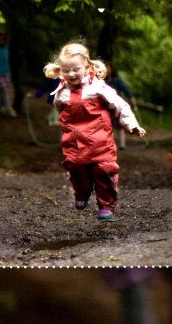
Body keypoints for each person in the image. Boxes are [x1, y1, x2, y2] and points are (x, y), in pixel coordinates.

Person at [44, 42, 146, 221]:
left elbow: (119, 105)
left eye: (76, 69)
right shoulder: (61, 93)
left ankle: (106, 205)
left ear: (87, 66)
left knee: (104, 170)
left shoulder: (98, 87)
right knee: (76, 169)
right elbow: (60, 110)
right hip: (75, 142)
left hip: (100, 141)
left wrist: (131, 125)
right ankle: (81, 193)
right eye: (66, 70)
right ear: (60, 71)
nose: (72, 74)